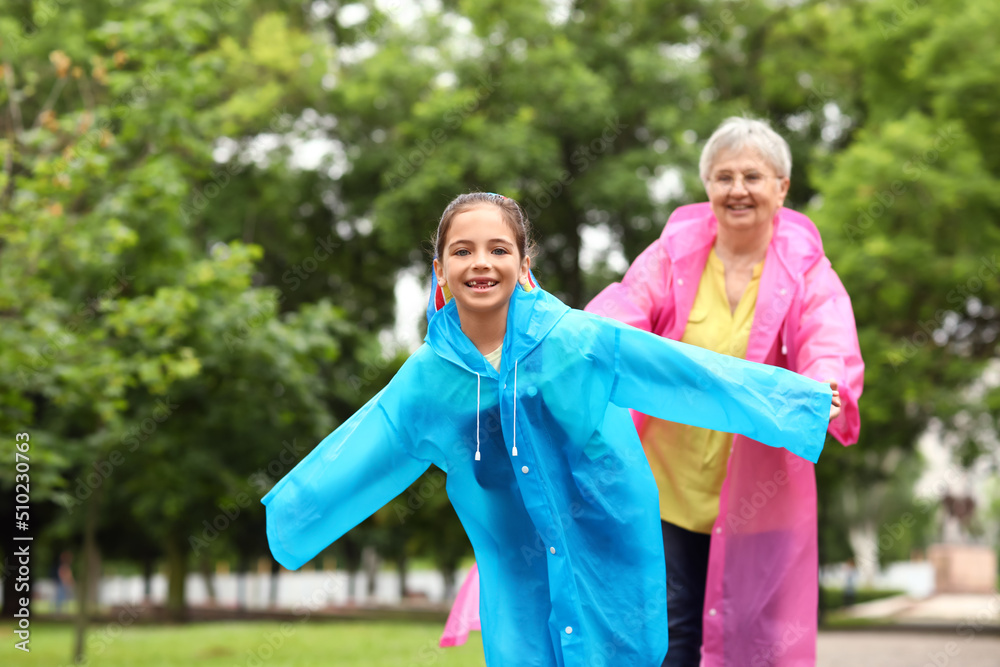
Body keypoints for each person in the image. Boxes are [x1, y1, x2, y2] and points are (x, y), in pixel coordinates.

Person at [262, 191, 841, 666]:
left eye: (498, 249)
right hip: (516, 565)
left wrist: (800, 402)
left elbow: (686, 373)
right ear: (439, 270)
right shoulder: (428, 380)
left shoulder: (577, 340)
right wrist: (290, 514)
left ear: (524, 263)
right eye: (462, 251)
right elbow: (367, 442)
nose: (481, 263)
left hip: (608, 546)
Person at [585, 117, 865, 667]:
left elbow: (827, 333)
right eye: (723, 176)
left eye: (753, 176)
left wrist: (825, 384)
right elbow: (623, 307)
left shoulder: (807, 268)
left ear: (782, 187)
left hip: (759, 497)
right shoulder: (672, 254)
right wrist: (580, 345)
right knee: (671, 632)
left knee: (753, 638)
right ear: (707, 186)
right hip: (666, 484)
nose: (738, 189)